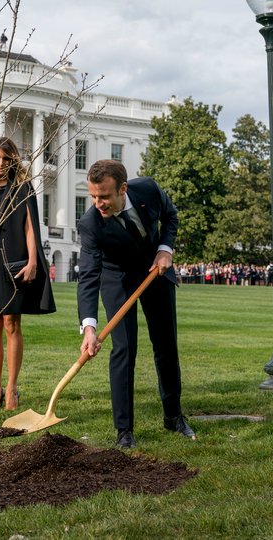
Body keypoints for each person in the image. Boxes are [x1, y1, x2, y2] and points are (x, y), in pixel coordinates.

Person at [77, 159, 195, 450]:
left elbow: (170, 216)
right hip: (118, 279)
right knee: (124, 349)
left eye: (104, 196)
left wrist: (165, 249)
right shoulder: (91, 224)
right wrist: (89, 327)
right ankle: (124, 430)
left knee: (166, 345)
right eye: (93, 196)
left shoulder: (149, 190)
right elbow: (89, 277)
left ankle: (173, 416)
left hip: (156, 270)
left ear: (123, 189)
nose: (98, 203)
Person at [0, 137, 55, 411]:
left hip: (15, 260)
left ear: (13, 160)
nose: (0, 164)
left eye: (6, 159)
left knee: (11, 325)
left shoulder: (23, 188)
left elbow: (31, 227)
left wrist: (32, 262)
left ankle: (13, 389)